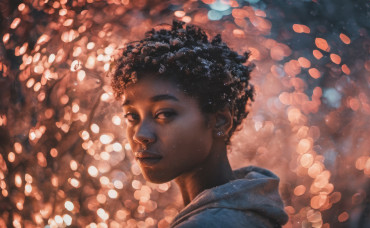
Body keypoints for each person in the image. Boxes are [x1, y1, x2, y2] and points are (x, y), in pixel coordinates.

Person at [111, 21, 288, 227]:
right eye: (132, 116)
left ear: (220, 121)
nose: (140, 134)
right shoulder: (250, 208)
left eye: (164, 114)